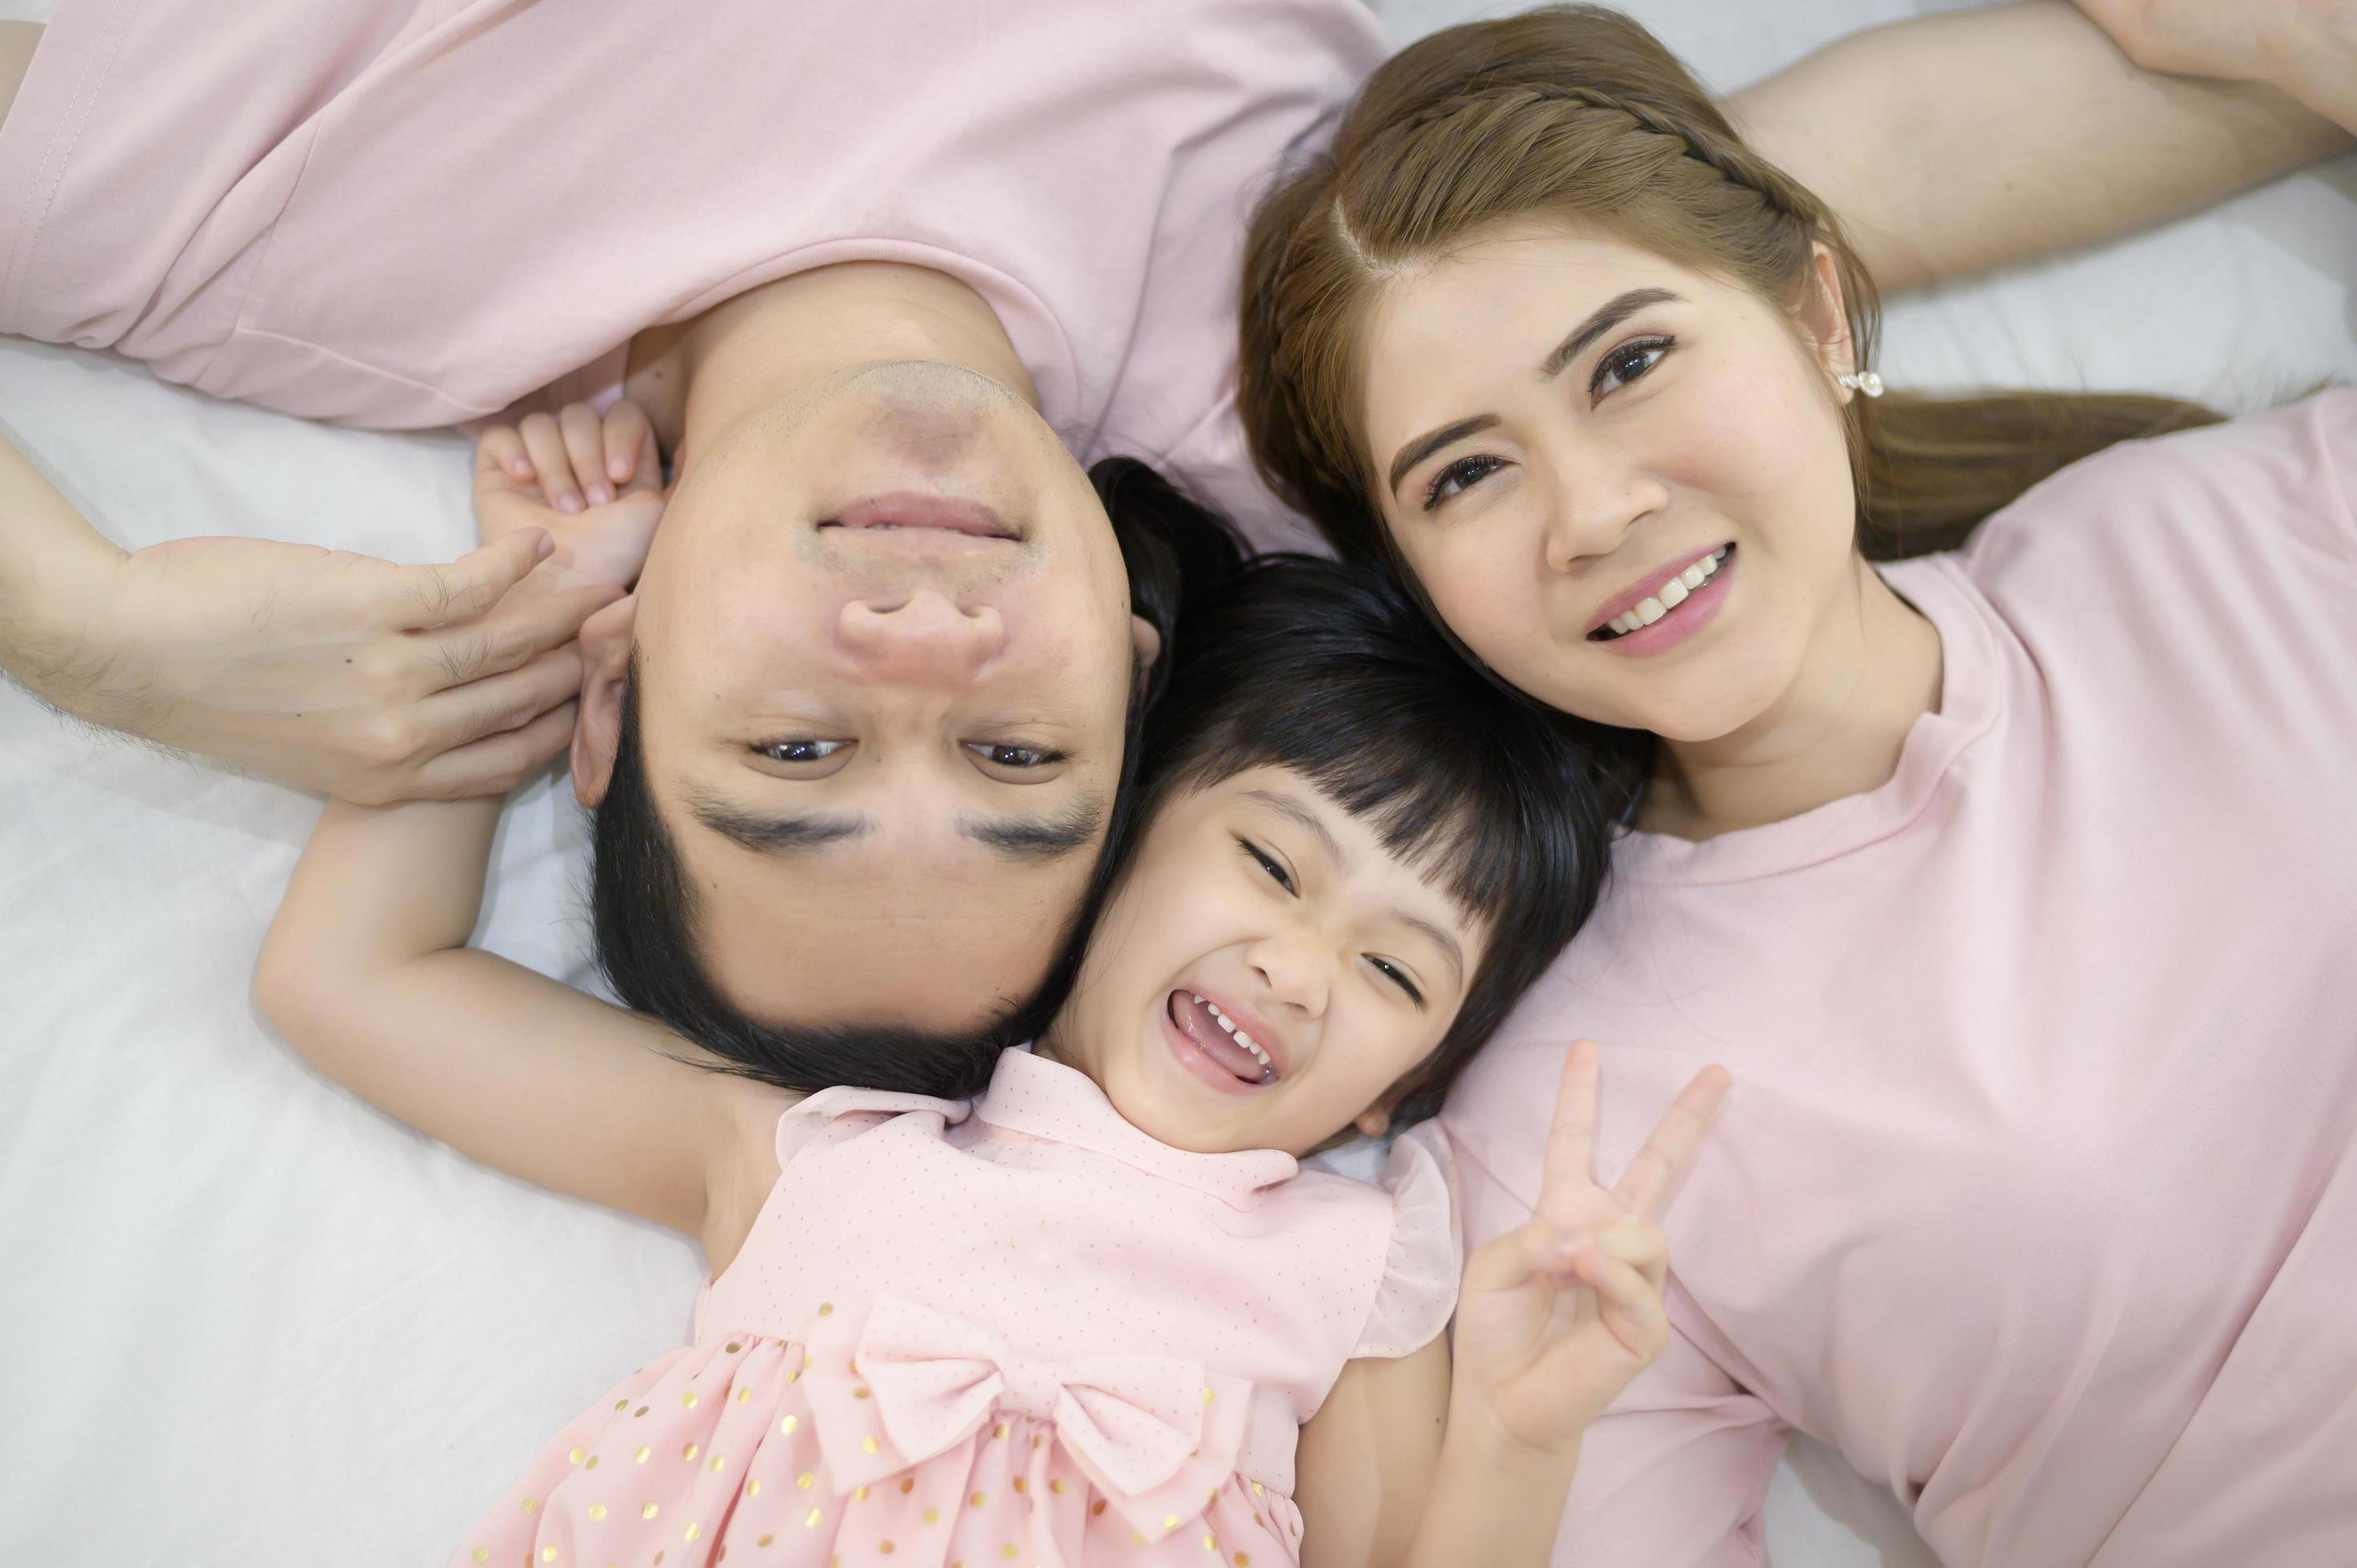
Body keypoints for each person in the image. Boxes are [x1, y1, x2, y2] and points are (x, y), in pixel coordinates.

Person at [0, 2, 2341, 1085]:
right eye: (1021, 764)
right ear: (1132, 642)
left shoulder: (246, 234)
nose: (923, 644)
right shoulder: (1294, 367)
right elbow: (1810, 202)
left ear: (602, 679)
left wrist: (80, 621)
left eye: (798, 749)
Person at [1235, 6, 2357, 1563]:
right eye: (1467, 472)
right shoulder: (1572, 1124)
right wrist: (1497, 1453)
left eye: (1629, 362)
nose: (1595, 507)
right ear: (1420, 579)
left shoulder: (2226, 534)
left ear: (1819, 317)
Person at [252, 459, 1730, 1564]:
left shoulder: (1358, 1276)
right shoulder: (817, 1148)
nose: (1295, 969)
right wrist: (541, 599)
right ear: (1109, 831)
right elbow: (354, 978)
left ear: (1395, 1094)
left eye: (1394, 974)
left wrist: (1520, 1442)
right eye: (1273, 863)